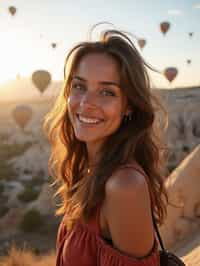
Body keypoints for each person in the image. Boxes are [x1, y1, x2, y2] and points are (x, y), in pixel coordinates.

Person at [44, 27, 168, 266]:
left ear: (129, 105)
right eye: (79, 86)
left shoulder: (124, 185)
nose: (86, 103)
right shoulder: (90, 171)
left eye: (106, 92)